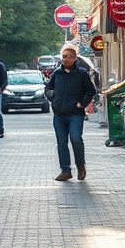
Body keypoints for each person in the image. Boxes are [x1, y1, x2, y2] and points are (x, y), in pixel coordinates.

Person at [46, 45, 97, 181]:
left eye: (67, 57)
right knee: (61, 142)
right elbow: (48, 88)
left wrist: (82, 103)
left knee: (76, 138)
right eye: (63, 56)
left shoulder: (81, 74)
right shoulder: (57, 73)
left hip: (75, 114)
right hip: (59, 114)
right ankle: (65, 170)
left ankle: (81, 166)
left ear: (74, 59)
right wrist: (53, 98)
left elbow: (90, 90)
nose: (64, 59)